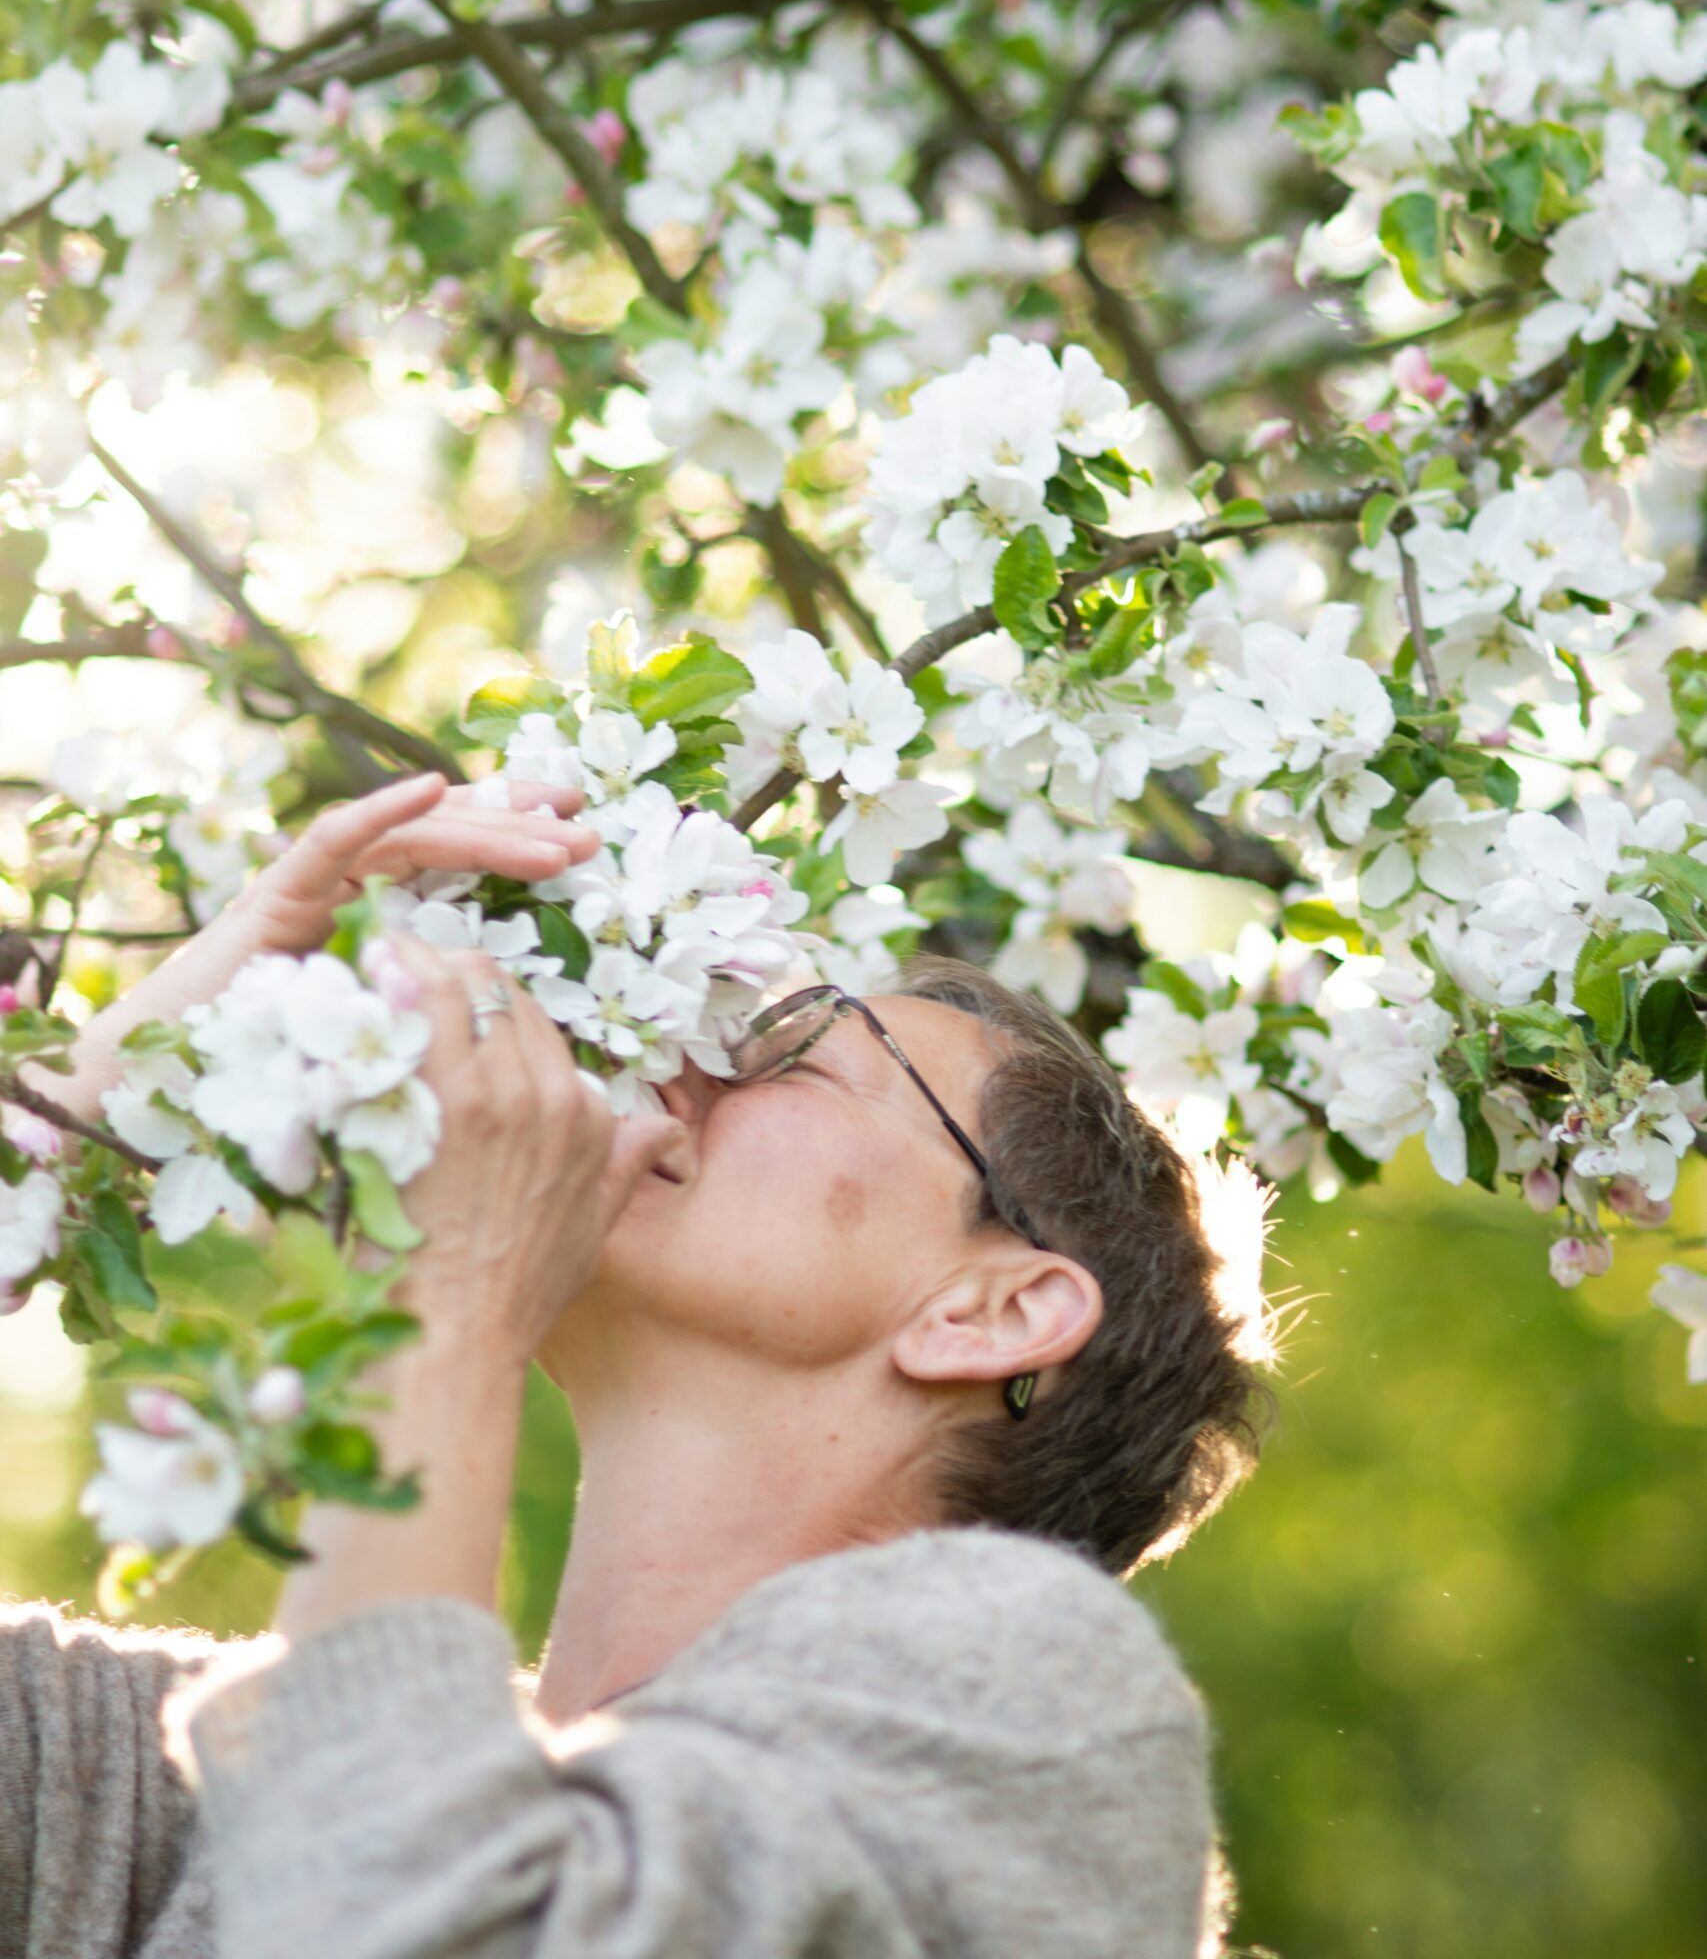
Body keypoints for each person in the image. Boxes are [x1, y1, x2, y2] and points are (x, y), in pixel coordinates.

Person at [0, 770, 1270, 1959]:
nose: (683, 1058)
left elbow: (408, 1905)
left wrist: (453, 1290)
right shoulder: (208, 1788)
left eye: (790, 1051)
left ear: (992, 1311)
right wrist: (98, 1091)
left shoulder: (1042, 1707)